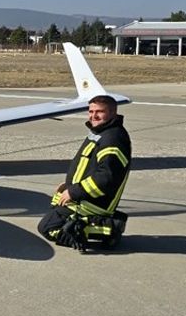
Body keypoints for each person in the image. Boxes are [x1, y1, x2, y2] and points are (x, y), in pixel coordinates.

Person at [38, 94, 132, 249]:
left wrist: (74, 192)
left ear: (113, 113)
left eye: (99, 112)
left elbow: (106, 178)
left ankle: (109, 228)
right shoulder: (101, 131)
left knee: (48, 228)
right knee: (52, 217)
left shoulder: (113, 138)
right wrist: (68, 184)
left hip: (91, 202)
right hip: (82, 196)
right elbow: (88, 165)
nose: (94, 115)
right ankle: (88, 227)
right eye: (91, 111)